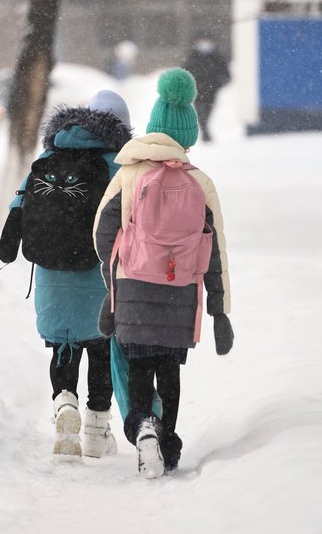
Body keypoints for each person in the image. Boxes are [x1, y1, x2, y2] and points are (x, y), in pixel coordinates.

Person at [93, 68, 233, 478]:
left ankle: (143, 428)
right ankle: (167, 444)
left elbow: (102, 230)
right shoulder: (199, 181)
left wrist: (114, 278)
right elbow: (216, 250)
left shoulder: (128, 174)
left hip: (133, 287)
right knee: (168, 371)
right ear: (187, 135)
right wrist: (219, 310)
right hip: (181, 292)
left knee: (138, 369)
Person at [0, 91, 133, 457]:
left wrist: (8, 246)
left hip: (52, 270)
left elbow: (19, 203)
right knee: (101, 348)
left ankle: (64, 404)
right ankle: (96, 429)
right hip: (99, 272)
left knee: (63, 345)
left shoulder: (50, 155)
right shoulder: (119, 165)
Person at [183, 35, 229, 143]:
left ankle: (205, 130)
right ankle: (205, 131)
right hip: (196, 89)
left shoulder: (217, 57)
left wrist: (219, 83)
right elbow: (185, 72)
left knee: (208, 110)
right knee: (199, 111)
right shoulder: (192, 57)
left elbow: (226, 75)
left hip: (212, 90)